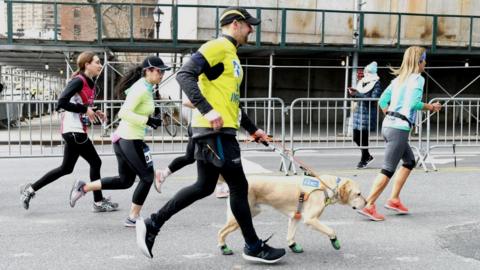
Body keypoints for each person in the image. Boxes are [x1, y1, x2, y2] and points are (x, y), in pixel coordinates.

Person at [136, 7, 286, 263]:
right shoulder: (217, 46)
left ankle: (152, 223)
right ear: (236, 24)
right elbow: (185, 75)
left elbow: (232, 102)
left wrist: (252, 129)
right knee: (239, 186)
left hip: (219, 129)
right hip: (214, 131)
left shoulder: (232, 55)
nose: (252, 30)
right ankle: (252, 246)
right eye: (249, 25)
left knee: (204, 186)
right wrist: (208, 110)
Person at [69, 56, 170, 226]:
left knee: (125, 181)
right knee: (146, 178)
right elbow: (123, 113)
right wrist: (148, 121)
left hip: (125, 138)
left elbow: (136, 111)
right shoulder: (141, 89)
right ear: (148, 71)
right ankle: (133, 217)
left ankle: (83, 187)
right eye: (159, 71)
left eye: (163, 71)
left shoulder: (147, 87)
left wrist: (150, 118)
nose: (162, 74)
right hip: (129, 138)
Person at [19, 51, 118, 212]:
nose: (100, 65)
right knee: (95, 162)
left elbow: (79, 104)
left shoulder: (88, 82)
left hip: (76, 130)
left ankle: (29, 190)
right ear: (87, 64)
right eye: (97, 62)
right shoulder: (78, 81)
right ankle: (98, 202)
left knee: (66, 168)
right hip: (74, 131)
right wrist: (85, 109)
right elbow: (61, 103)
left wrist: (94, 111)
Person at [358, 46, 442, 221]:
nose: (426, 63)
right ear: (419, 62)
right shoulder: (418, 79)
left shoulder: (398, 80)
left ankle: (394, 199)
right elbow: (414, 104)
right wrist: (432, 107)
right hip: (399, 129)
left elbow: (382, 100)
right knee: (388, 169)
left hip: (389, 126)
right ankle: (369, 205)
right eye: (424, 60)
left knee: (409, 161)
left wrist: (389, 114)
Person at [154, 99, 230, 199]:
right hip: (201, 128)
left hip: (206, 128)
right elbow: (187, 101)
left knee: (191, 158)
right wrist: (209, 109)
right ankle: (221, 187)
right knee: (216, 157)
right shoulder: (203, 86)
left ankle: (162, 174)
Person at [348, 61, 383, 169]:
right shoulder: (362, 82)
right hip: (358, 113)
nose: (366, 73)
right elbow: (358, 96)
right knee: (355, 137)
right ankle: (367, 156)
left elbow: (373, 99)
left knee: (363, 138)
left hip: (367, 114)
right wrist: (353, 94)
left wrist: (357, 94)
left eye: (368, 71)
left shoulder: (376, 83)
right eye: (365, 71)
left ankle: (364, 158)